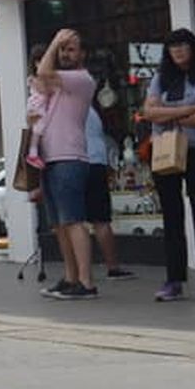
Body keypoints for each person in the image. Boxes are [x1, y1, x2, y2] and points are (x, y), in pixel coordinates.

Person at [142, 28, 195, 302]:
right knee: (172, 216)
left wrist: (167, 116)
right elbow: (148, 112)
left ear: (193, 48)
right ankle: (174, 280)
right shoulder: (160, 78)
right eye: (172, 46)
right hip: (165, 152)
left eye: (183, 45)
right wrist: (189, 109)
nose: (178, 51)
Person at [29, 29, 100, 300]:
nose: (65, 54)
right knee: (59, 224)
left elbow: (44, 73)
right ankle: (71, 277)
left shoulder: (81, 79)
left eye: (71, 49)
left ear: (82, 54)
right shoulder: (60, 82)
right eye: (62, 49)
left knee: (73, 220)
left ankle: (85, 280)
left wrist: (54, 41)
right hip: (50, 158)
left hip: (70, 157)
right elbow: (39, 83)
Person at [84, 105, 135, 282]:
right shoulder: (90, 111)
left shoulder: (69, 107)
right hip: (97, 162)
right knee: (101, 220)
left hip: (78, 161)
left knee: (76, 221)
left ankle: (82, 271)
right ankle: (112, 266)